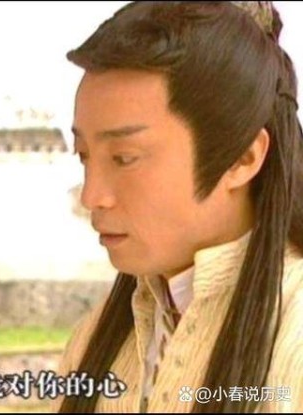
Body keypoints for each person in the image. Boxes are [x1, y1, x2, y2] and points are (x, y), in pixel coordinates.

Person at [54, 1, 303, 413]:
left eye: (124, 158)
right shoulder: (94, 340)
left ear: (241, 159)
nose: (92, 196)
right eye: (84, 155)